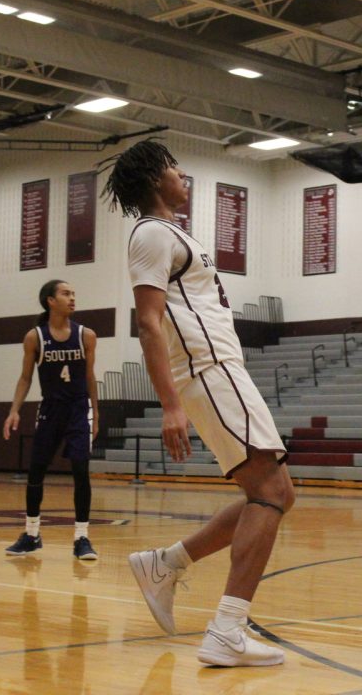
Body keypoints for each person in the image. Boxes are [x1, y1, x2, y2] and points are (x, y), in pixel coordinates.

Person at [103, 139, 293, 667]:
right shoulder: (150, 235)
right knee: (271, 492)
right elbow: (147, 322)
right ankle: (227, 629)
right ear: (152, 178)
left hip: (220, 370)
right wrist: (169, 405)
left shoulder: (171, 233)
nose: (183, 175)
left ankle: (167, 563)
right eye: (174, 168)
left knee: (278, 492)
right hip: (208, 372)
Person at [2, 280, 100, 561]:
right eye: (66, 293)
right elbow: (25, 378)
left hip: (78, 409)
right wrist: (14, 410)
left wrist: (97, 413)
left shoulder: (86, 335)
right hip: (50, 409)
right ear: (50, 301)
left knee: (81, 471)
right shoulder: (35, 337)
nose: (72, 298)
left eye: (73, 293)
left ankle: (82, 538)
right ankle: (31, 534)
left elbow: (90, 377)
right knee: (36, 472)